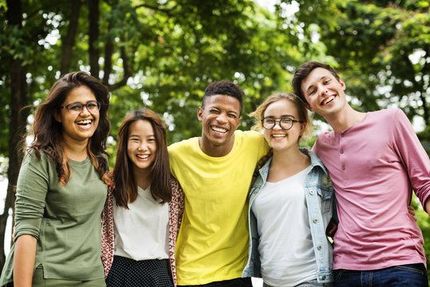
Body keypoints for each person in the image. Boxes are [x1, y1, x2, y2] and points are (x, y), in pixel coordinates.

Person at [292, 61, 430, 287]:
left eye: (326, 82)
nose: (323, 91)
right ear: (310, 106)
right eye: (313, 91)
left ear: (341, 83)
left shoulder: (391, 120)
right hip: (346, 270)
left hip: (401, 263)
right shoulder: (321, 149)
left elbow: (426, 183)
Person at [0, 71, 111, 287]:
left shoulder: (100, 161)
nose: (85, 113)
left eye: (91, 105)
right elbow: (25, 230)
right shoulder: (40, 159)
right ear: (58, 114)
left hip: (92, 275)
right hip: (49, 275)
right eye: (75, 107)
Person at [168, 80, 268, 287]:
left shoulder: (255, 144)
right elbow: (135, 170)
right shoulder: (174, 155)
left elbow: (291, 150)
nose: (222, 120)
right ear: (200, 114)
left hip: (237, 274)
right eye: (215, 111)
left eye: (231, 115)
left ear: (238, 122)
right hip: (190, 273)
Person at [242, 92, 334, 287]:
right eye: (270, 121)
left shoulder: (320, 172)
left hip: (311, 279)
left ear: (301, 126)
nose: (277, 127)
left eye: (287, 120)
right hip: (268, 282)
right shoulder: (255, 176)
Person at [103, 108, 184, 287]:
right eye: (135, 140)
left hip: (160, 275)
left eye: (151, 140)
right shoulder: (109, 187)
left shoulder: (174, 190)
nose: (143, 147)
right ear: (125, 144)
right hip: (118, 274)